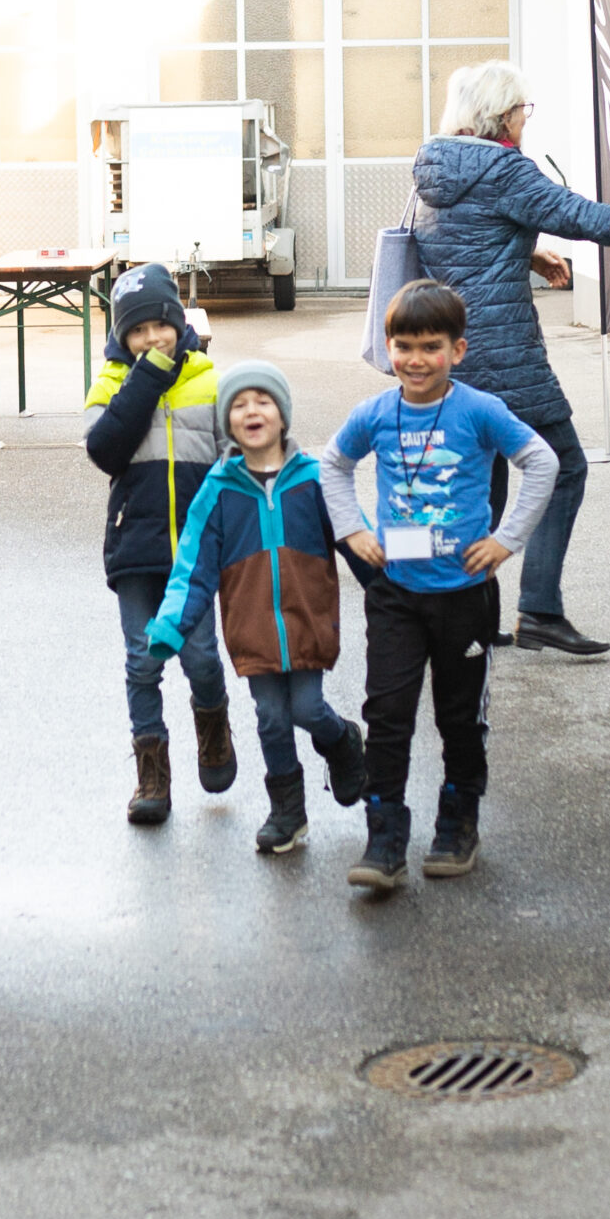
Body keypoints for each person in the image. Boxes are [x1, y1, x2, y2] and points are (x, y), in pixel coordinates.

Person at [408, 61, 610, 655]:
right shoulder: (504, 168)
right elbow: (589, 218)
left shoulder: (433, 166)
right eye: (522, 109)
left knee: (481, 484)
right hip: (503, 352)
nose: (524, 119)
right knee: (562, 467)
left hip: (447, 355)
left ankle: (467, 617)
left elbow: (456, 240)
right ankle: (538, 609)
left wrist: (528, 255)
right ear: (500, 115)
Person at [320, 281, 559, 893]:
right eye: (404, 346)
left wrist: (506, 539)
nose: (416, 359)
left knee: (458, 718)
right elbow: (332, 465)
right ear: (387, 347)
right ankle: (385, 837)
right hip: (396, 591)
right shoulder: (374, 413)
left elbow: (542, 462)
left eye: (431, 346)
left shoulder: (479, 410)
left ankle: (457, 822)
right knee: (388, 713)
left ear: (458, 349)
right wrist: (354, 531)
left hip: (465, 595)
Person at [146, 361, 368, 855]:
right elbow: (193, 568)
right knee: (270, 717)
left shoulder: (314, 479)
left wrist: (393, 587)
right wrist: (171, 626)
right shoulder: (219, 491)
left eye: (263, 401)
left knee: (308, 708)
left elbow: (358, 539)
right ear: (227, 422)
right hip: (253, 630)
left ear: (283, 416)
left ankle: (342, 741)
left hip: (309, 624)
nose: (252, 411)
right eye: (240, 405)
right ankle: (288, 813)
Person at [83, 264, 232, 826]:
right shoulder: (112, 383)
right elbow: (105, 451)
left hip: (195, 552)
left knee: (199, 656)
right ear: (121, 338)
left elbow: (232, 458)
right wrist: (146, 378)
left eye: (158, 327)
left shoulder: (212, 380)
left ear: (176, 321)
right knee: (142, 661)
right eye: (135, 332)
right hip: (135, 548)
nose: (150, 340)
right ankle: (152, 774)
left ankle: (212, 722)